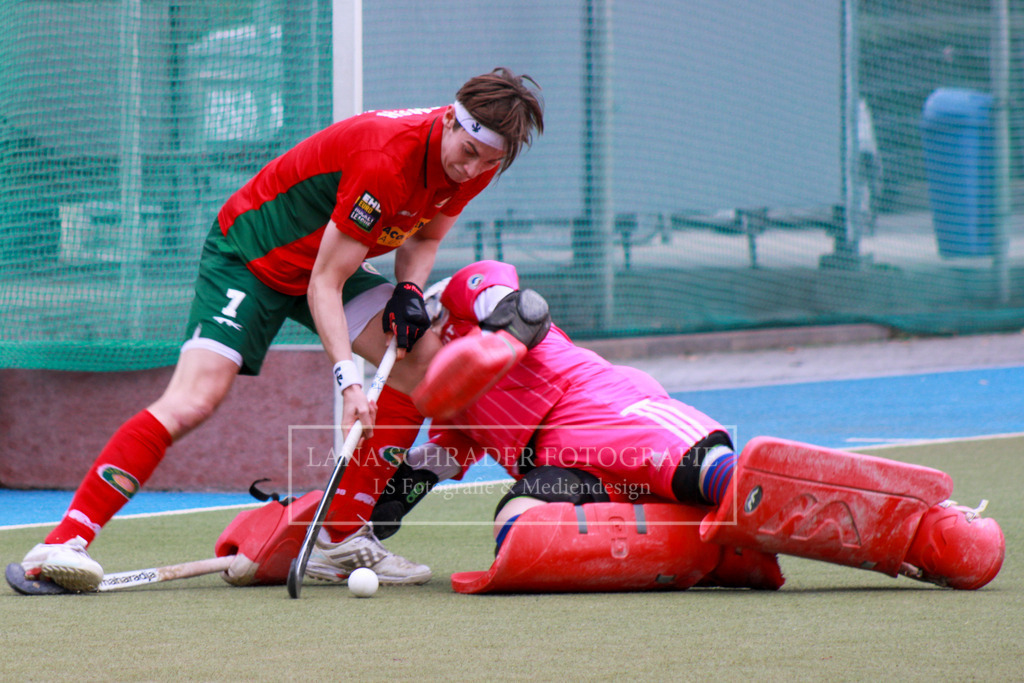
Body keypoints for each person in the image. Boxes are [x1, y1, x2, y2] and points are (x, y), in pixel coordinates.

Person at [18, 69, 544, 592]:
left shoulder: (473, 168)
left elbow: (425, 237)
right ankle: (64, 541)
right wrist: (349, 384)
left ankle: (337, 539)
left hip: (327, 257)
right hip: (251, 256)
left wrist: (408, 289)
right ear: (451, 119)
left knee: (422, 368)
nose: (470, 169)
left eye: (488, 163)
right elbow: (325, 284)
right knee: (195, 398)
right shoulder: (387, 159)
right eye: (469, 152)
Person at [368, 260, 1004, 593]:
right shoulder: (446, 404)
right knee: (519, 531)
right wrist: (359, 524)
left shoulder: (460, 296)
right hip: (560, 467)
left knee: (718, 479)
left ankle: (924, 532)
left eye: (379, 345)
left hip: (606, 411)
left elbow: (525, 308)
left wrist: (494, 348)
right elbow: (436, 465)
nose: (382, 362)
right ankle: (715, 549)